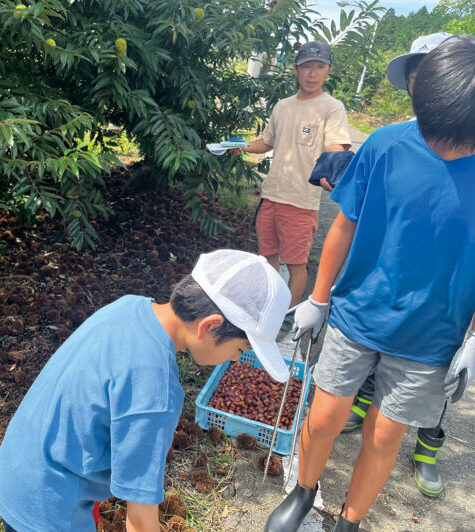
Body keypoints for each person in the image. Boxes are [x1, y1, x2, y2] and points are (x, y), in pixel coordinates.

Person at [264, 36, 475, 532]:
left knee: (383, 437)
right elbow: (345, 223)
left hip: (432, 335)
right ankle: (304, 490)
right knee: (322, 419)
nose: (446, 151)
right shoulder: (386, 144)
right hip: (359, 312)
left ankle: (350, 521)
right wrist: (317, 298)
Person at [0, 249, 291, 532]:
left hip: (17, 466)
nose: (237, 358)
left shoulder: (129, 306)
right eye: (240, 349)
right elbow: (139, 522)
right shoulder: (156, 391)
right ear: (210, 326)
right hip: (50, 509)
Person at [339, 32, 453, 499]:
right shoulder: (390, 142)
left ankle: (427, 451)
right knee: (374, 381)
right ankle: (365, 405)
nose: (422, 83)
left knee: (429, 400)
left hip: (439, 314)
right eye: (416, 75)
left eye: (434, 73)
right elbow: (354, 219)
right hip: (379, 298)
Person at [230, 41, 351, 307]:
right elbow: (267, 141)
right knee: (267, 257)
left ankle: (290, 314)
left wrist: (338, 163)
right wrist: (240, 147)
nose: (312, 73)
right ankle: (268, 307)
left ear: (327, 70)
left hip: (300, 203)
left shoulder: (332, 108)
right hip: (271, 196)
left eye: (319, 67)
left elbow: (337, 145)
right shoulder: (283, 106)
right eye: (306, 66)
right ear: (296, 69)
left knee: (297, 265)